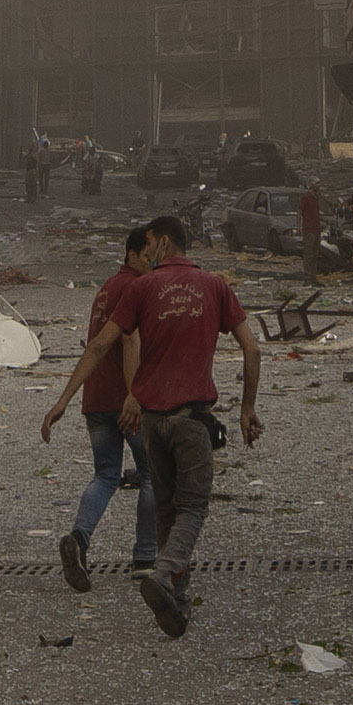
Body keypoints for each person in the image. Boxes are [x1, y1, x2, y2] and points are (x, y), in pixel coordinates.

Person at [70, 211, 262, 635]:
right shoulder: (215, 286)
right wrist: (247, 408)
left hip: (152, 421)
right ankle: (164, 573)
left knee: (166, 510)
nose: (148, 248)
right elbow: (252, 349)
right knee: (192, 508)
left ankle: (177, 597)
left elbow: (102, 343)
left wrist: (64, 400)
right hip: (192, 419)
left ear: (163, 244)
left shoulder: (143, 288)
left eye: (151, 241)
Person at [34, 225, 160, 591]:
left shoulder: (105, 289)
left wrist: (63, 401)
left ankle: (80, 539)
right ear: (133, 255)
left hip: (96, 401)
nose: (153, 261)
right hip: (126, 402)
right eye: (148, 253)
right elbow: (131, 341)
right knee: (151, 474)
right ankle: (145, 558)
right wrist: (134, 395)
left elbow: (94, 347)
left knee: (106, 474)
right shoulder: (135, 288)